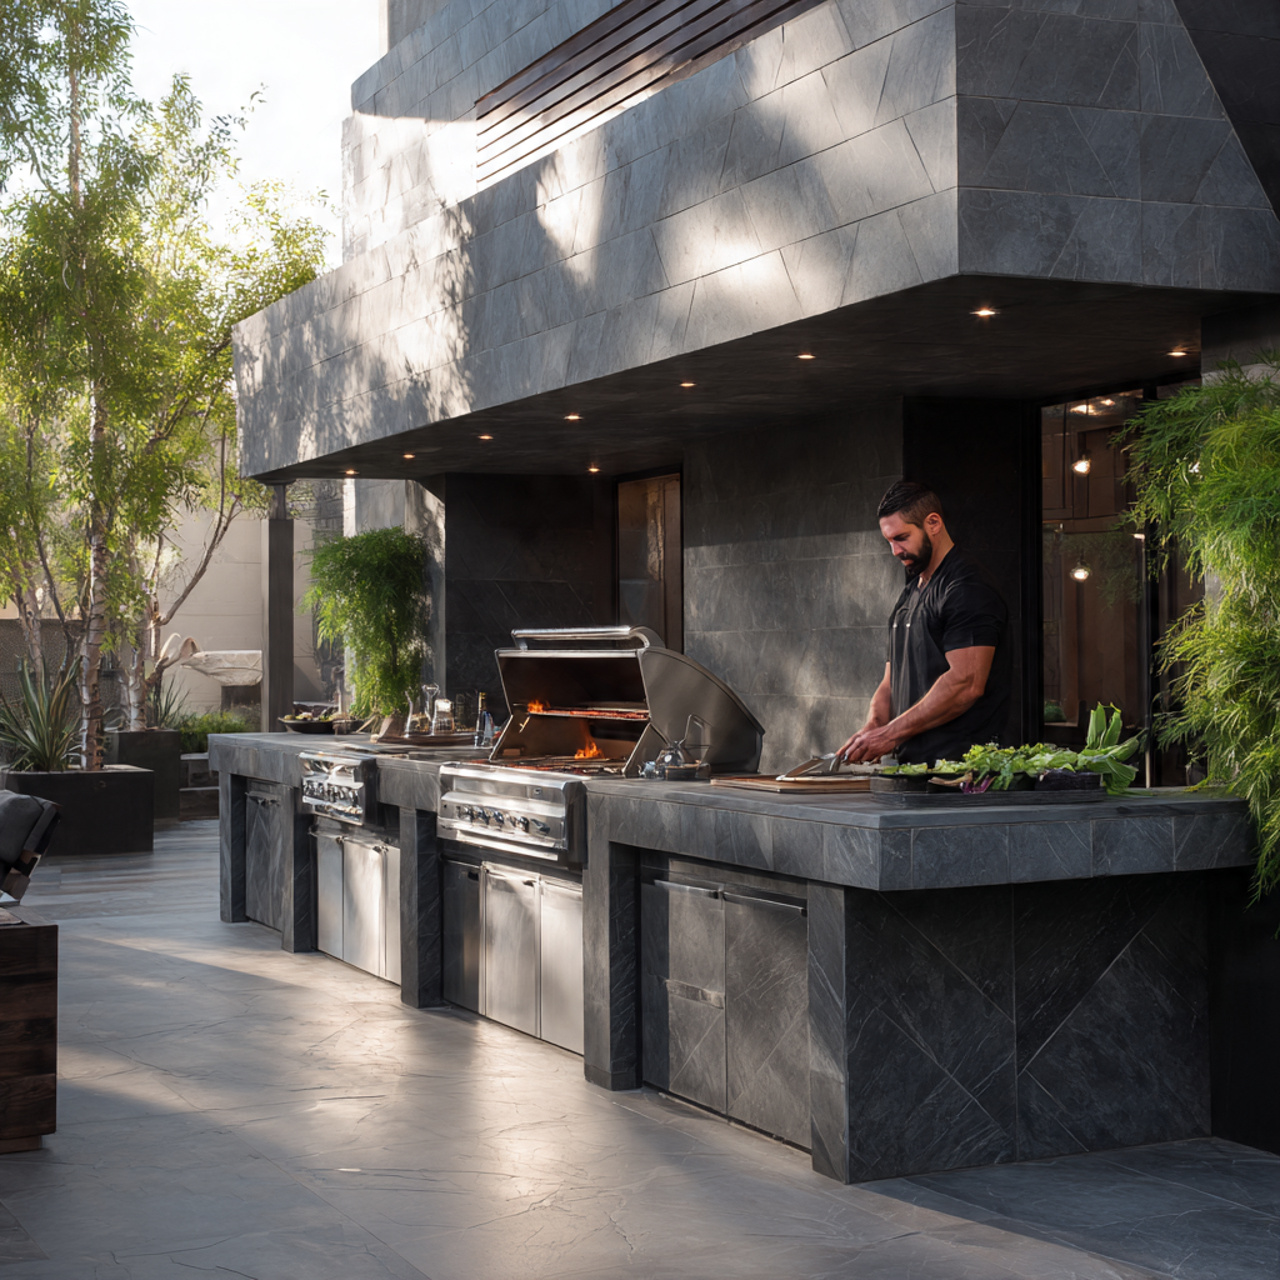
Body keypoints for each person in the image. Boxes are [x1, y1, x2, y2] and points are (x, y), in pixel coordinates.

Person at [839, 480, 1010, 766]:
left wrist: (888, 735)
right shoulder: (911, 593)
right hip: (913, 769)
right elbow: (891, 680)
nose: (894, 551)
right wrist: (874, 725)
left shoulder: (967, 587)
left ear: (933, 523)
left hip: (962, 774)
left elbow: (965, 683)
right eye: (889, 541)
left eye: (902, 538)